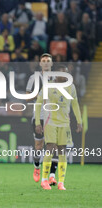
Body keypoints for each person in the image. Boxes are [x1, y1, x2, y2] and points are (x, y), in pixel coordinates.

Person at [35, 64, 82, 190]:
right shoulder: (48, 86)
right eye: (62, 74)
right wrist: (37, 123)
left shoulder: (70, 87)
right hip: (50, 122)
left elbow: (75, 104)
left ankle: (61, 182)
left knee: (62, 151)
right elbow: (38, 104)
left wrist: (79, 121)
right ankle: (44, 180)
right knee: (50, 148)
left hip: (65, 123)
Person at [26, 53, 58, 184]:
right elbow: (27, 96)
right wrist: (39, 95)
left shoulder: (57, 78)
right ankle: (37, 167)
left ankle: (52, 176)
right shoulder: (34, 78)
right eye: (43, 60)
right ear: (40, 63)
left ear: (51, 63)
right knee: (38, 146)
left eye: (48, 61)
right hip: (39, 116)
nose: (45, 63)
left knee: (54, 146)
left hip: (54, 116)